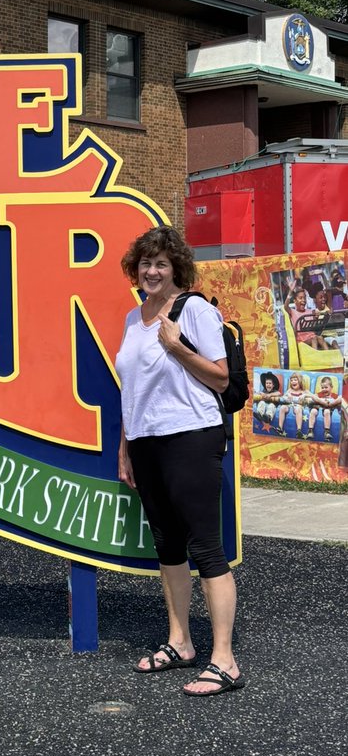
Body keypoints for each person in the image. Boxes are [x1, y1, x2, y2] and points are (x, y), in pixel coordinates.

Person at [116, 225, 244, 697]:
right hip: (146, 441)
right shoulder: (133, 318)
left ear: (176, 270)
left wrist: (175, 347)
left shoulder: (194, 311)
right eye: (145, 263)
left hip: (191, 435)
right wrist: (126, 447)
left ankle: (225, 660)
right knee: (167, 547)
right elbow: (132, 389)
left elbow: (220, 378)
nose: (151, 271)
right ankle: (180, 643)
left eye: (161, 264)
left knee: (205, 547)